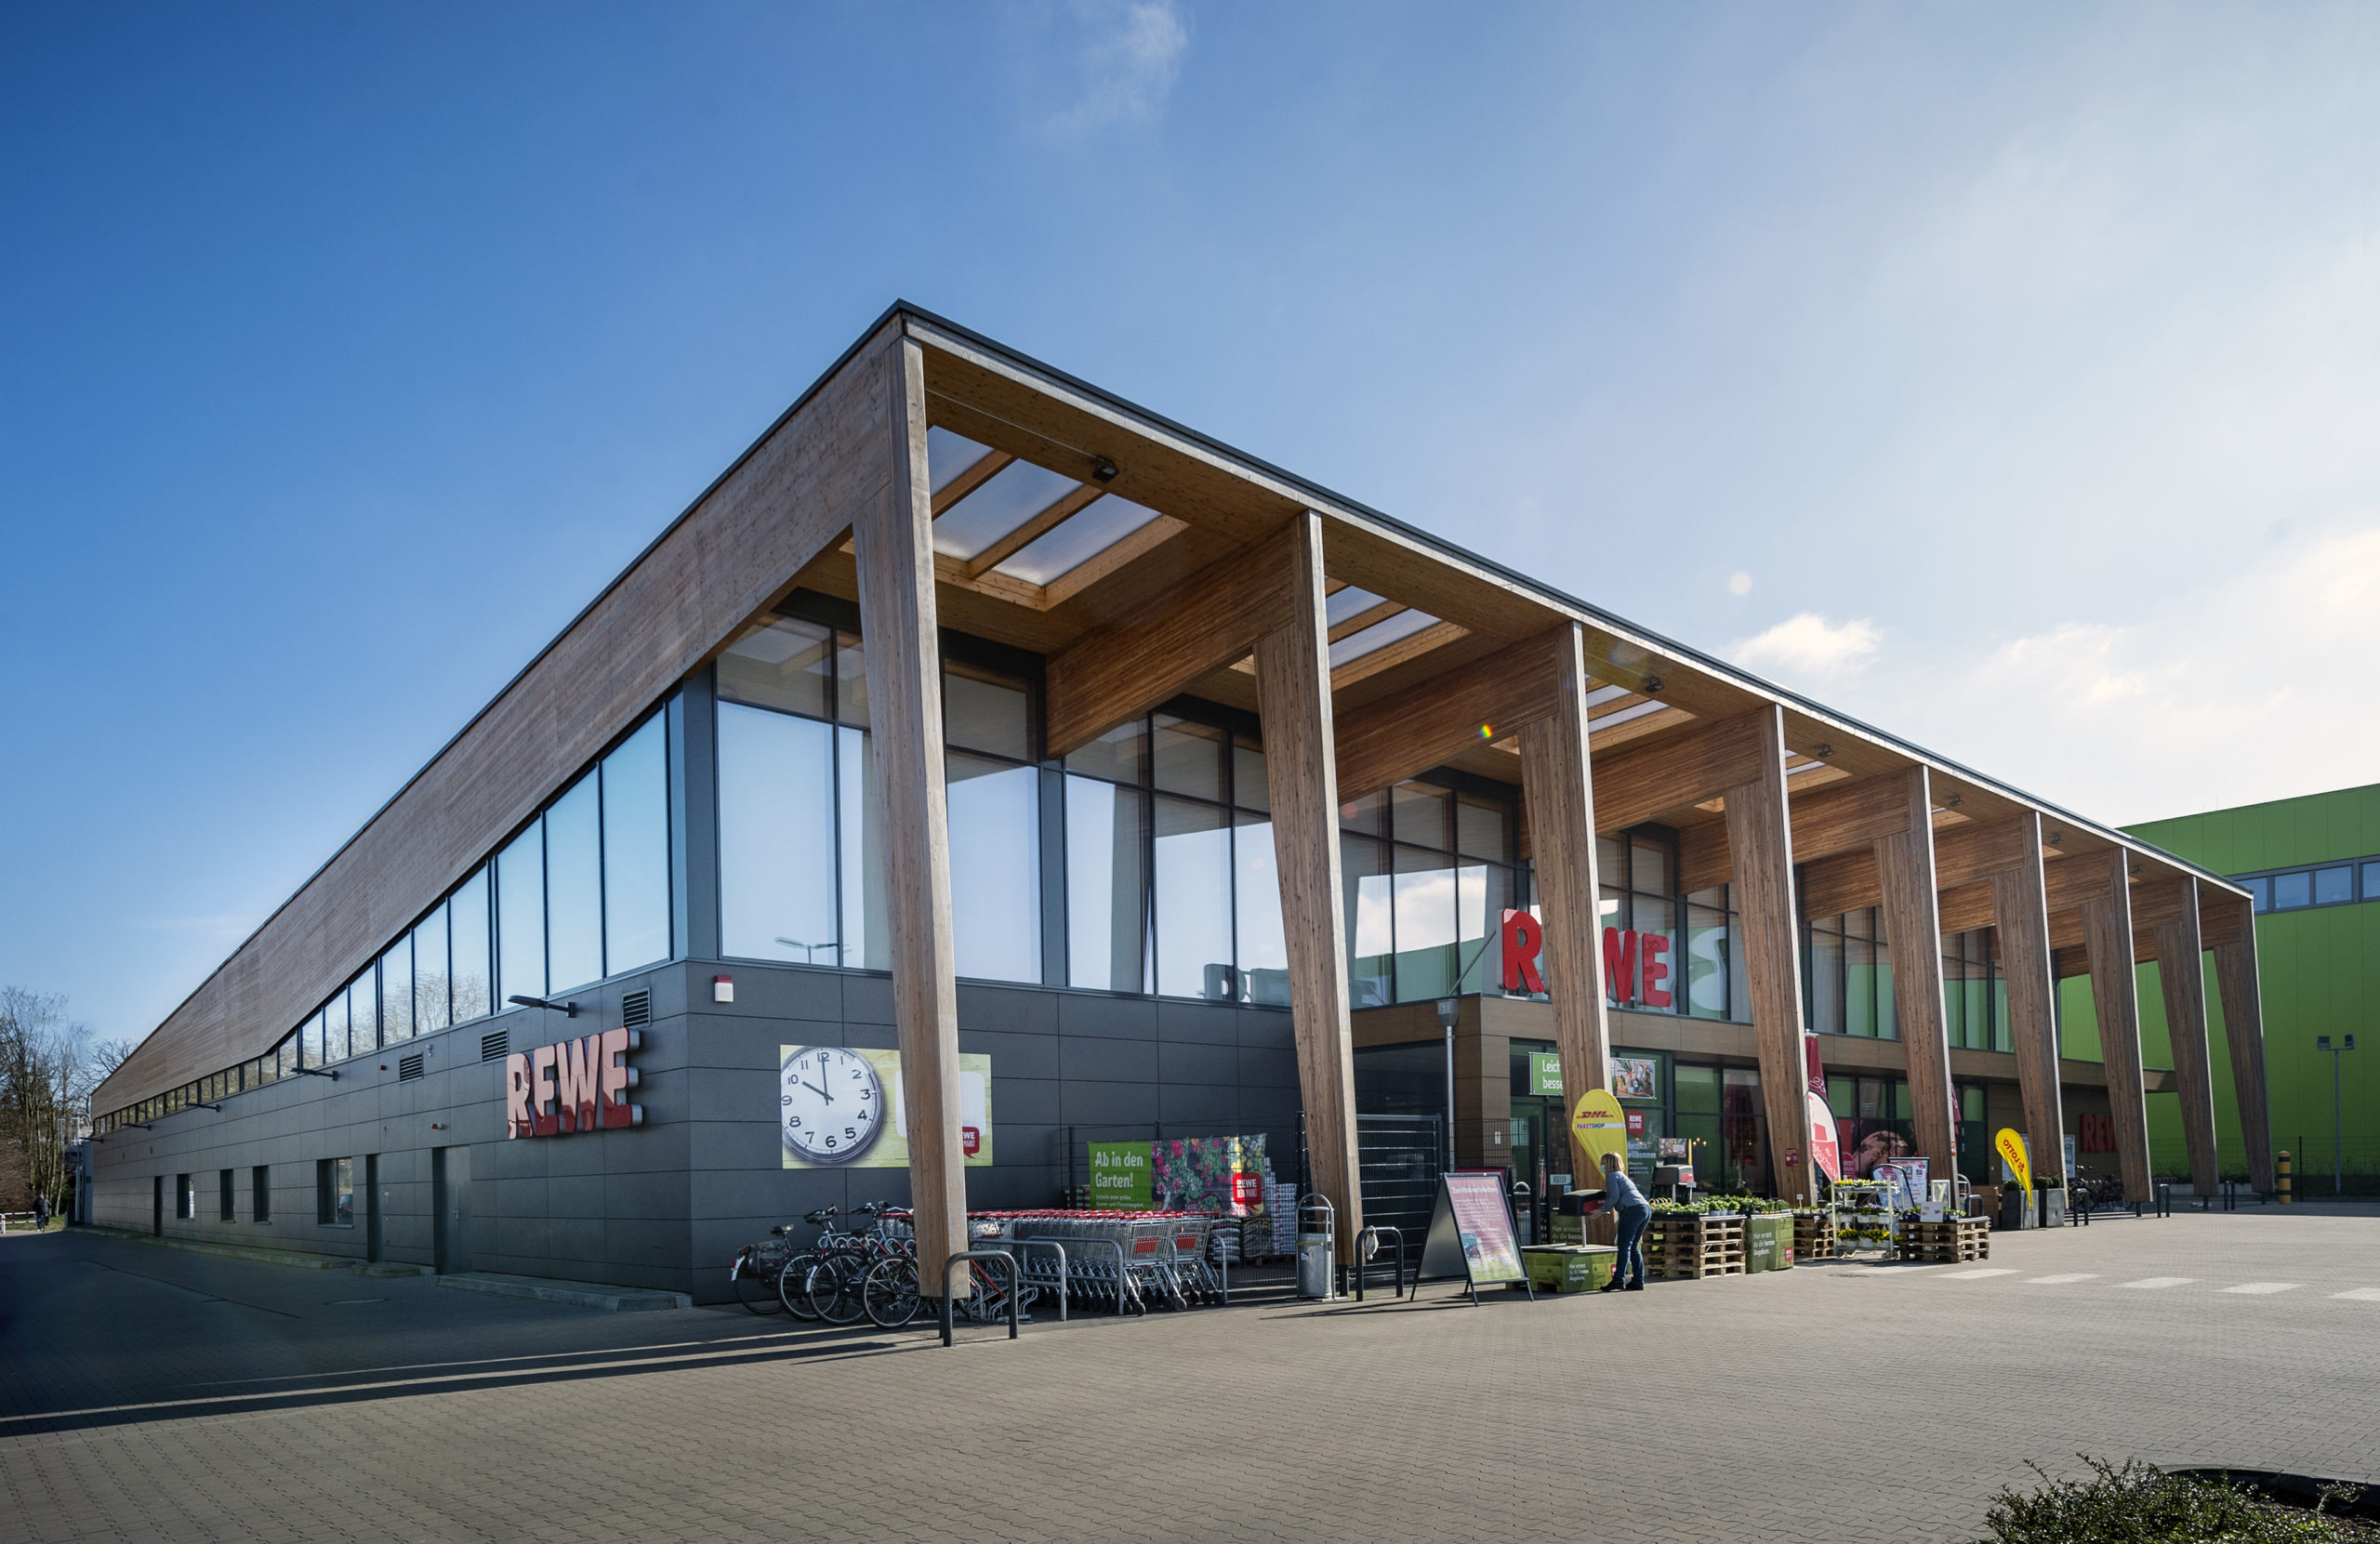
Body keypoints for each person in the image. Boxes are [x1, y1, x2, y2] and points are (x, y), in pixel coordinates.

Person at [1594, 1150, 1650, 1292]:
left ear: (1608, 1163)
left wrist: (1600, 1211)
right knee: (1633, 1247)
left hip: (1631, 1210)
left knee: (1624, 1246)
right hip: (1644, 1208)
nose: (1602, 1165)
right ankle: (1638, 1281)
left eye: (1603, 1163)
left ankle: (1618, 1280)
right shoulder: (1622, 1176)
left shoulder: (1611, 1176)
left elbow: (1614, 1197)